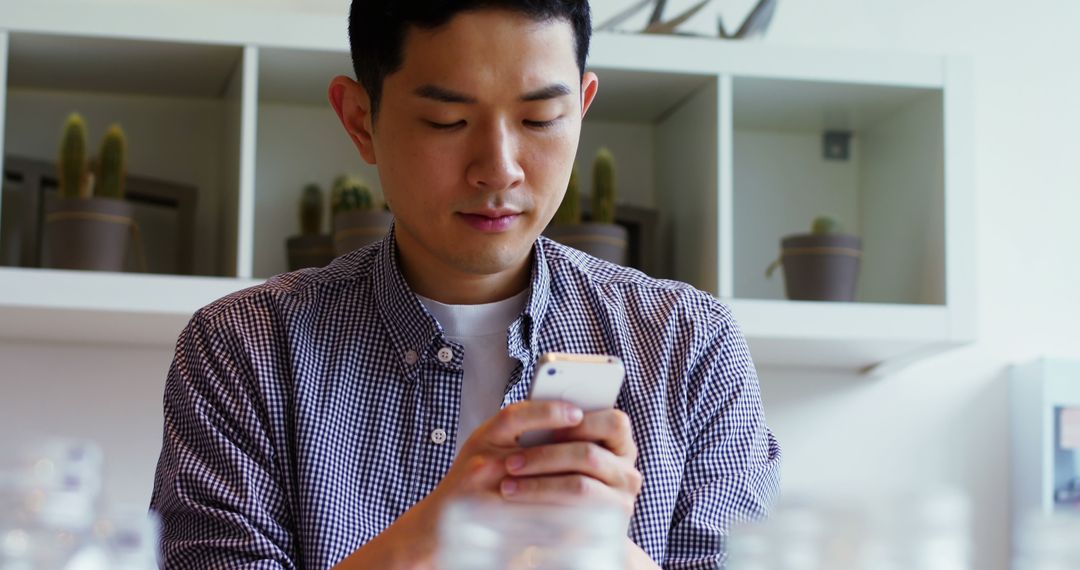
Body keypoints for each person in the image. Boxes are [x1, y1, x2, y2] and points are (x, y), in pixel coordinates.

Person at [149, 1, 781, 568]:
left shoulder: (688, 346)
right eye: (447, 121)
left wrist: (600, 553)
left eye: (540, 119)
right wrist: (437, 534)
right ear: (360, 120)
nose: (499, 169)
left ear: (582, 110)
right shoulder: (245, 347)